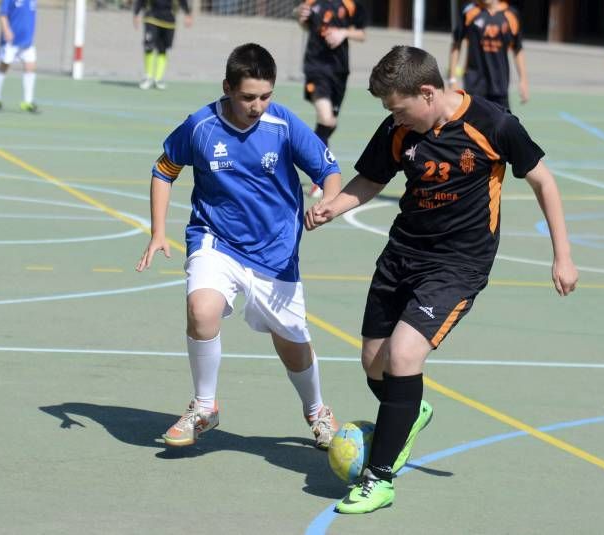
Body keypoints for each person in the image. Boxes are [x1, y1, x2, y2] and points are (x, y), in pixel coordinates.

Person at [306, 45, 577, 514]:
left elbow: (543, 182)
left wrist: (563, 256)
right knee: (374, 362)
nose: (394, 118)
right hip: (401, 255)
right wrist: (335, 206)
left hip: (458, 263)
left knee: (405, 355)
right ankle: (410, 412)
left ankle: (380, 478)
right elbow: (370, 180)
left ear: (427, 93)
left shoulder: (494, 125)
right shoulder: (399, 128)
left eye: (398, 108)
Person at [135, 43, 342, 450]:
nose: (258, 105)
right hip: (216, 239)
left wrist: (327, 203)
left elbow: (329, 170)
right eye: (248, 97)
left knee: (293, 345)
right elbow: (164, 169)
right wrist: (159, 231)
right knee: (201, 309)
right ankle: (205, 406)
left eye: (266, 96)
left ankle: (317, 411)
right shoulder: (201, 126)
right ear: (228, 88)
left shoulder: (282, 125)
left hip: (275, 250)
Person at [296, 0, 366, 197]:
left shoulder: (352, 4)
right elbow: (304, 21)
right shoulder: (312, 1)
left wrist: (343, 33)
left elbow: (361, 34)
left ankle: (314, 155)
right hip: (316, 68)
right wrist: (300, 16)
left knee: (329, 124)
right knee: (326, 119)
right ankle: (319, 174)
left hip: (339, 71)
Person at [449, 0, 529, 111]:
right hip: (474, 85)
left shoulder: (511, 14)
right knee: (473, 126)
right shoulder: (469, 11)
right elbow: (456, 44)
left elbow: (518, 49)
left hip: (499, 86)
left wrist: (523, 80)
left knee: (503, 125)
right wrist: (452, 79)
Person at [0, 0, 39, 112]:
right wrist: (6, 30)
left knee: (31, 66)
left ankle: (27, 102)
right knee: (4, 66)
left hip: (27, 41)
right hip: (10, 41)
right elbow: (2, 14)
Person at [132, 0, 192, 90]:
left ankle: (158, 78)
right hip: (151, 18)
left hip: (169, 21)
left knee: (163, 49)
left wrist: (187, 13)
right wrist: (136, 13)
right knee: (149, 46)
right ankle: (148, 77)